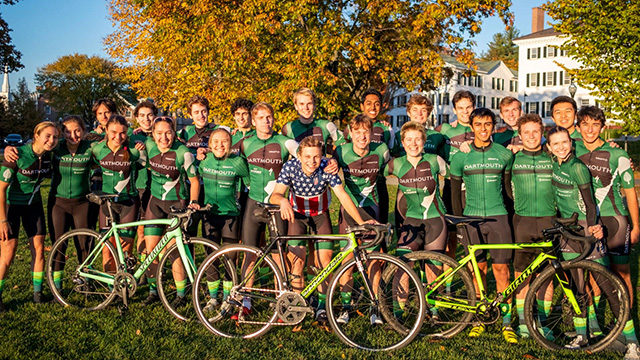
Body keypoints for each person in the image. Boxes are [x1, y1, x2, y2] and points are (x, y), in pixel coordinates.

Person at [270, 137, 369, 323]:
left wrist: (360, 221)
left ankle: (322, 307)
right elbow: (275, 194)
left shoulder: (326, 166)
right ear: (299, 155)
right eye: (307, 156)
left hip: (320, 216)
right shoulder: (290, 166)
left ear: (322, 156)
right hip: (297, 217)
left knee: (325, 263)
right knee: (297, 262)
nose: (312, 161)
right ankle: (298, 306)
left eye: (316, 156)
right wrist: (282, 201)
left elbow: (342, 195)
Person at [574, 106, 640, 357]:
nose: (590, 130)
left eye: (595, 125)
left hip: (615, 221)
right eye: (585, 124)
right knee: (593, 274)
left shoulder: (616, 154)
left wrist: (636, 225)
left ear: (603, 127)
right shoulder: (571, 149)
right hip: (587, 222)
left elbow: (630, 192)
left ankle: (624, 328)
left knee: (622, 275)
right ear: (578, 127)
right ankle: (593, 328)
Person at [449, 108, 515, 343]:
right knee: (478, 272)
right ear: (471, 127)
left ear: (494, 126)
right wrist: (459, 224)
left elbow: (508, 192)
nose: (483, 129)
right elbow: (455, 194)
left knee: (501, 271)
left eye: (488, 124)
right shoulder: (460, 157)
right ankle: (479, 317)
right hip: (470, 219)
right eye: (478, 124)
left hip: (498, 218)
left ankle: (506, 322)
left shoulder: (505, 155)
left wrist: (511, 218)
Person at [547, 125, 608, 349]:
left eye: (565, 142)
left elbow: (590, 204)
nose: (561, 147)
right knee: (577, 284)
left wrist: (593, 227)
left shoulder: (577, 166)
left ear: (571, 143)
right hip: (566, 229)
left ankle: (621, 336)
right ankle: (583, 333)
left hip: (583, 228)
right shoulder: (555, 163)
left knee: (600, 281)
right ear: (549, 147)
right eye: (556, 144)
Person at [236, 102, 298, 317]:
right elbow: (229, 157)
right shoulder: (245, 143)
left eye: (269, 116)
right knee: (249, 252)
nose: (266, 121)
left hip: (276, 205)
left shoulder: (283, 141)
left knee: (278, 254)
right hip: (253, 203)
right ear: (253, 121)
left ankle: (280, 298)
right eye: (261, 117)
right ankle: (246, 300)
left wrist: (327, 161)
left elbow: (304, 153)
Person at [141, 116, 200, 307]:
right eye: (159, 133)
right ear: (153, 134)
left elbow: (195, 180)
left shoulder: (183, 153)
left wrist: (193, 202)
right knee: (151, 251)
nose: (163, 137)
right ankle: (153, 291)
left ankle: (181, 294)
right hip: (155, 203)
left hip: (177, 204)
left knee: (175, 252)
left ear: (174, 133)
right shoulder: (149, 146)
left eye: (168, 132)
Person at [0, 122, 59, 309]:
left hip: (33, 206)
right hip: (11, 207)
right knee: (8, 253)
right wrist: (2, 220)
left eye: (55, 137)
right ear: (36, 135)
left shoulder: (49, 157)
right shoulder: (17, 155)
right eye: (47, 136)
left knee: (39, 248)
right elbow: (0, 190)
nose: (51, 140)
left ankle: (37, 293)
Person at [508, 114, 555, 339]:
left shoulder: (553, 156)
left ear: (542, 133)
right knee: (522, 275)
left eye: (535, 131)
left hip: (549, 221)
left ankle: (544, 324)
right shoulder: (512, 158)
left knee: (547, 274)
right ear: (519, 135)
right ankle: (525, 323)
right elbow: (505, 187)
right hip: (523, 221)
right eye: (526, 132)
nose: (531, 136)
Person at [199, 128, 250, 312]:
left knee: (230, 258)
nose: (220, 145)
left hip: (231, 215)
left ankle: (229, 299)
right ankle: (213, 299)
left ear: (230, 144)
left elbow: (250, 184)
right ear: (210, 144)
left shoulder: (238, 162)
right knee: (211, 257)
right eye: (216, 141)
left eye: (225, 141)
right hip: (209, 215)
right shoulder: (204, 162)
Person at [91, 115, 146, 275]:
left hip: (129, 202)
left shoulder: (134, 150)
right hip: (107, 204)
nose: (118, 136)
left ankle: (123, 282)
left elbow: (146, 164)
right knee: (107, 248)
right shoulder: (97, 148)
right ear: (106, 130)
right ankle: (111, 288)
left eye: (122, 133)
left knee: (126, 247)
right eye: (113, 132)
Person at [341, 89, 395, 224]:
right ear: (362, 106)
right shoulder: (351, 127)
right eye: (369, 103)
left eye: (377, 104)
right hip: (354, 184)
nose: (373, 107)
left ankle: (382, 245)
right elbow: (342, 149)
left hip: (378, 183)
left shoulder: (386, 128)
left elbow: (392, 154)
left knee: (380, 224)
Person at [131, 101, 158, 273]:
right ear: (136, 118)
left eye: (149, 115)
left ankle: (157, 269)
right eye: (142, 115)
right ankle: (144, 269)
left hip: (159, 188)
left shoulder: (162, 133)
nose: (146, 119)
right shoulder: (132, 136)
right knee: (141, 231)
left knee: (156, 232)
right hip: (140, 186)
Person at [281, 88, 343, 155]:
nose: (306, 108)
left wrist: (335, 159)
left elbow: (343, 139)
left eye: (309, 103)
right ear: (296, 106)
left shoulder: (326, 125)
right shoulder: (289, 127)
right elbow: (277, 144)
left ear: (315, 105)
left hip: (322, 165)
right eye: (301, 104)